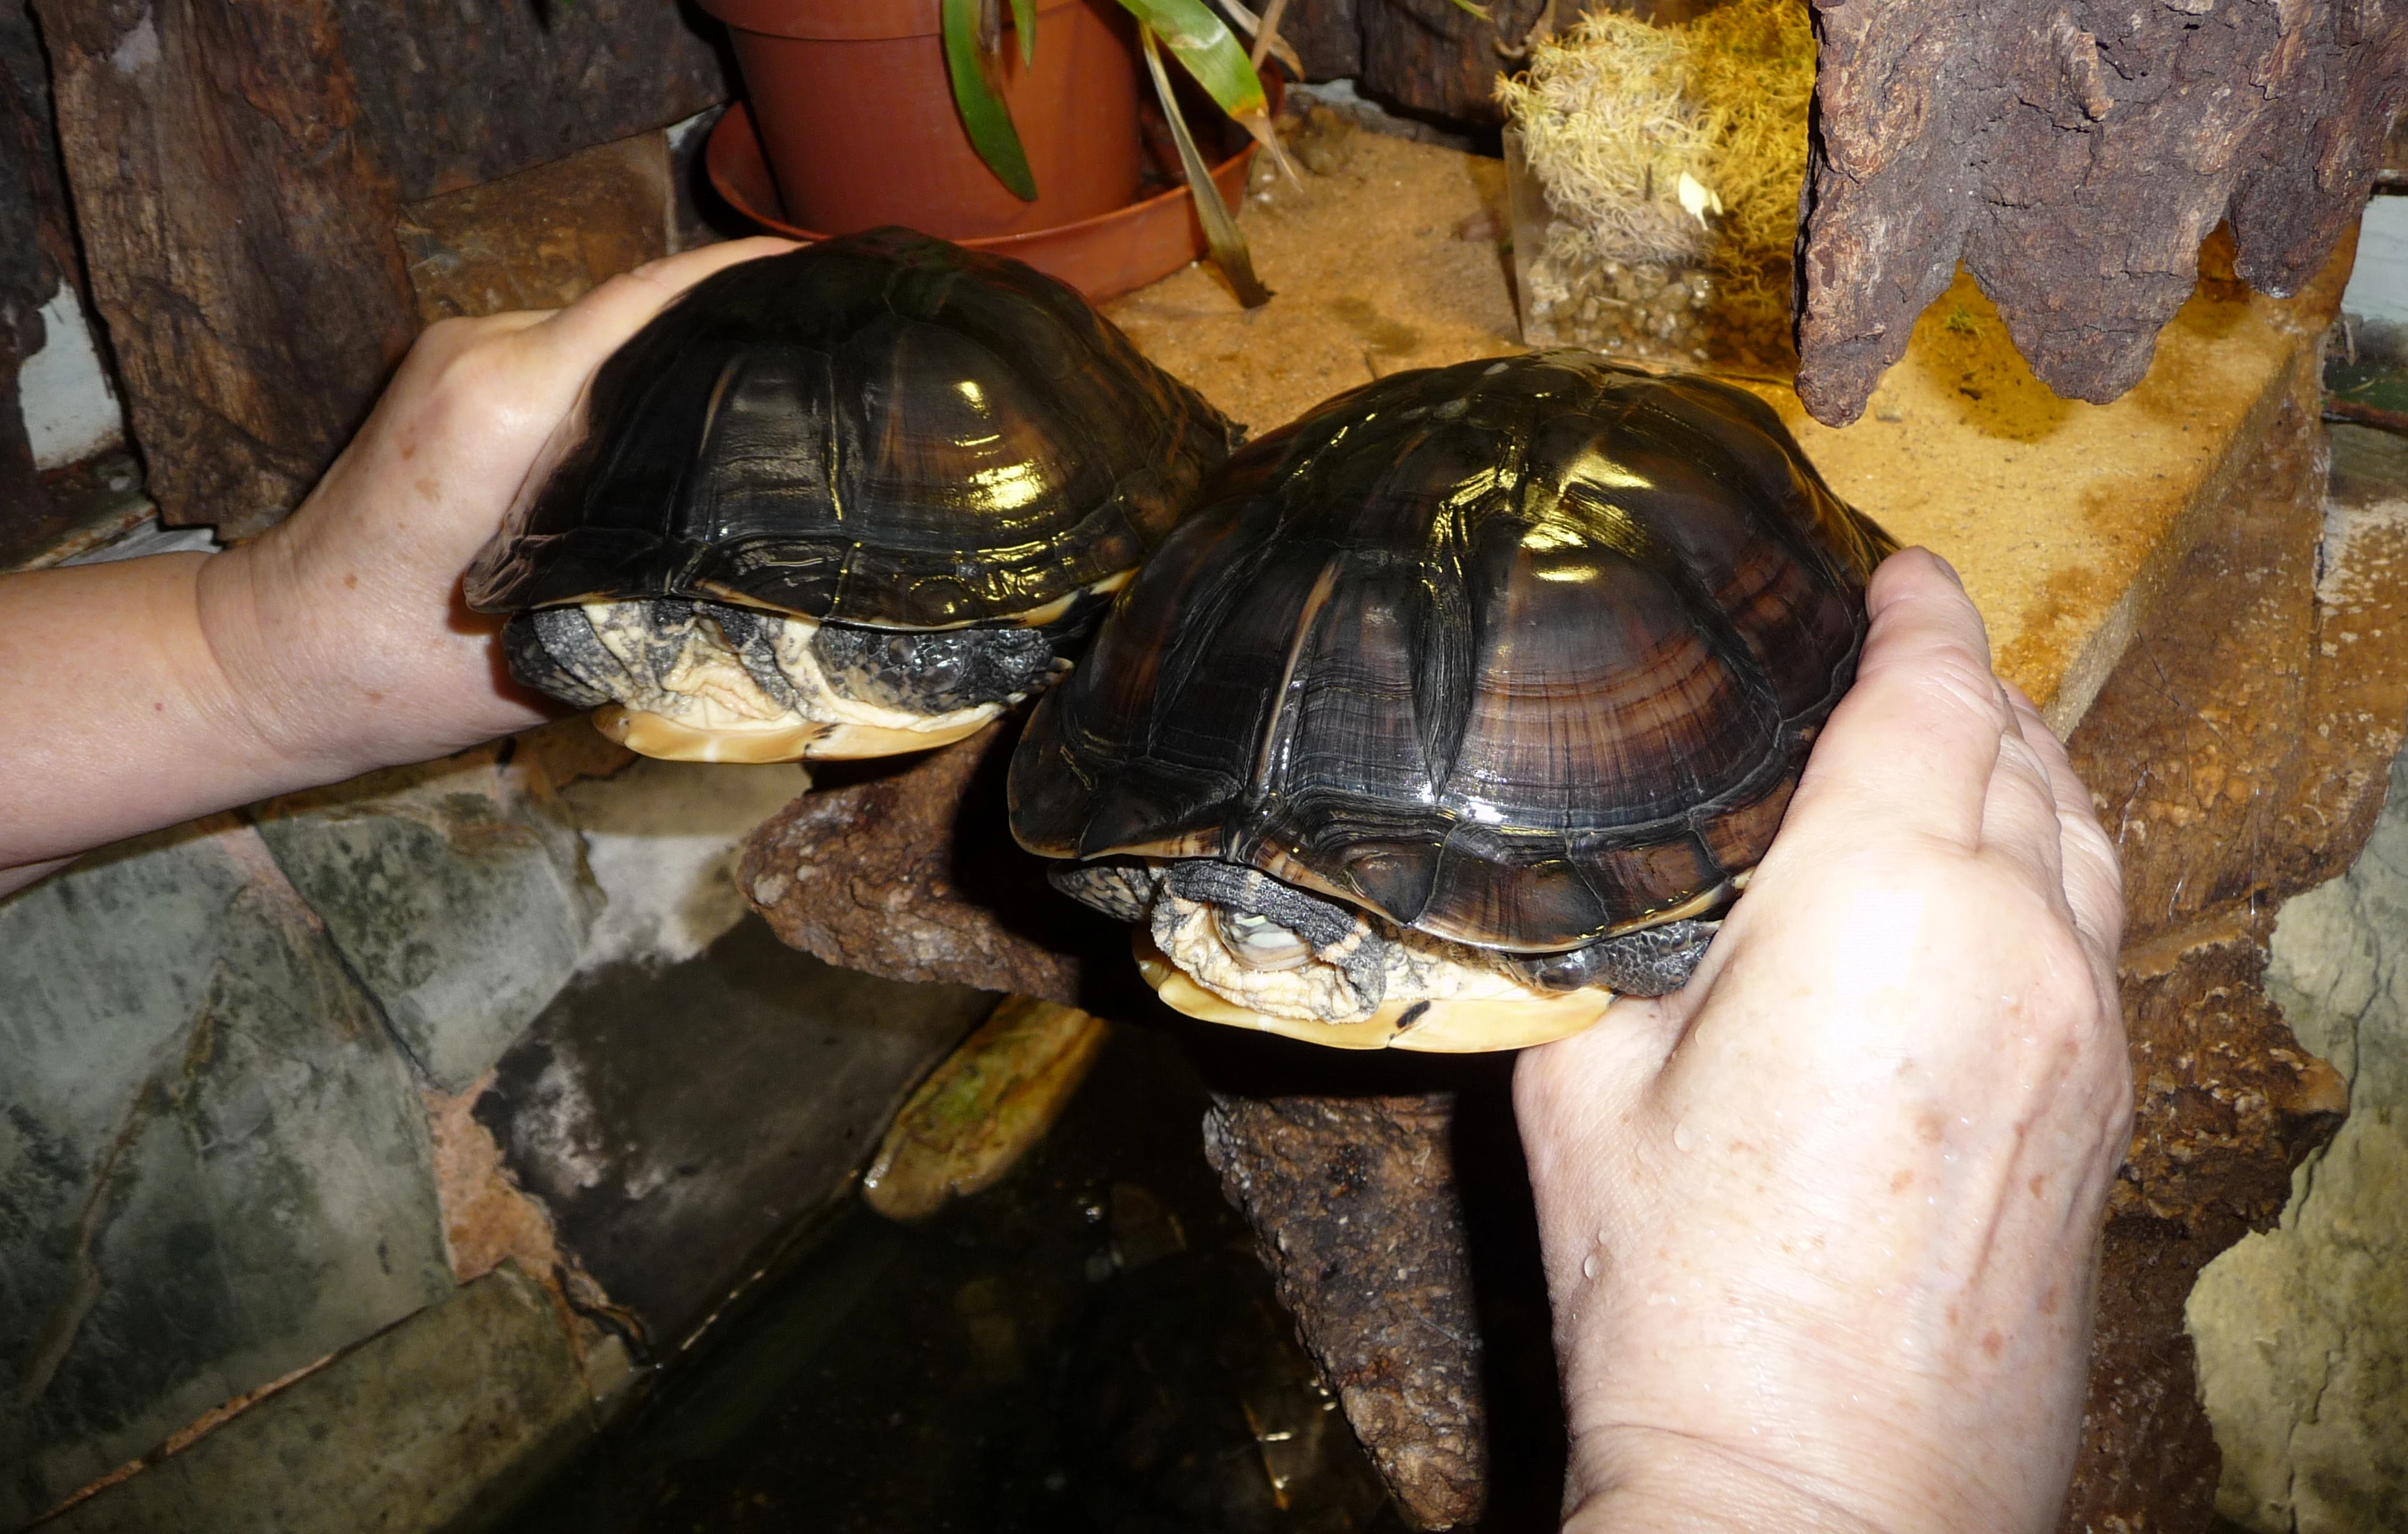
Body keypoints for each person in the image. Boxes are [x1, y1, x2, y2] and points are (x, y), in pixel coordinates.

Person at [0, 242, 2131, 1531]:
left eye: (1254, 920)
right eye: (1201, 908)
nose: (1199, 930)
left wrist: (236, 657)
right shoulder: (1106, 816)